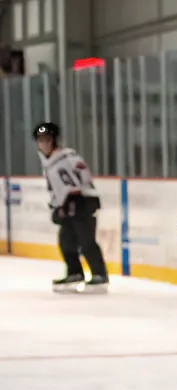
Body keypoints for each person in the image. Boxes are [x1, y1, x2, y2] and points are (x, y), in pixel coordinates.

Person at [35, 121, 109, 293]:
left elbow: (75, 185)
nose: (43, 144)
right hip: (72, 203)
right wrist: (58, 206)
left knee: (86, 240)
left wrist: (65, 204)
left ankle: (100, 275)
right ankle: (75, 272)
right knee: (66, 241)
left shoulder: (61, 161)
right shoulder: (56, 161)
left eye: (47, 140)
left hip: (80, 203)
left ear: (54, 141)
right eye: (40, 140)